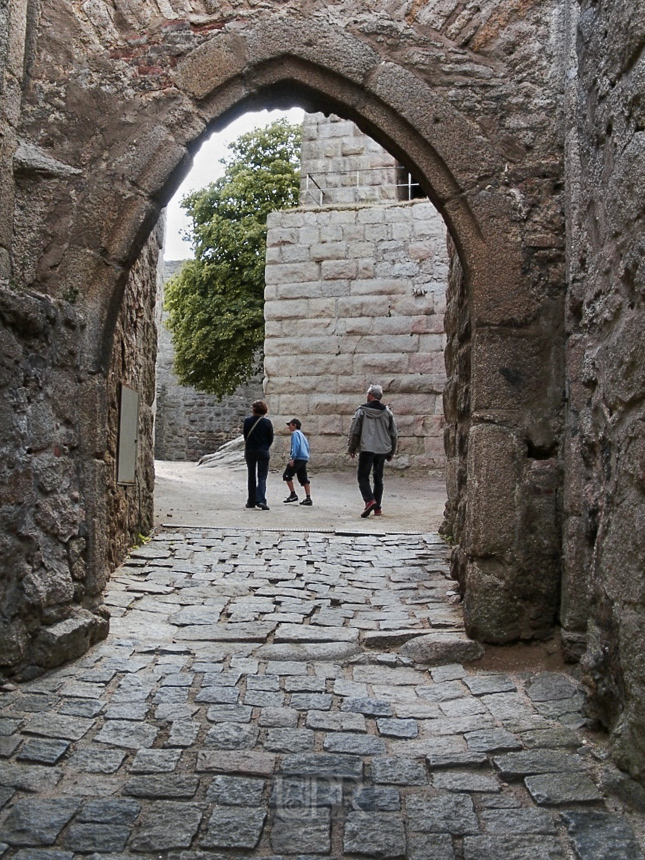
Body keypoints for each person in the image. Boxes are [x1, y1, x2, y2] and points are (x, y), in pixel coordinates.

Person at [347, 383, 397, 518]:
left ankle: (369, 500)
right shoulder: (387, 412)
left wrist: (351, 447)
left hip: (367, 448)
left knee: (362, 476)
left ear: (370, 395)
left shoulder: (362, 411)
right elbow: (393, 433)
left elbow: (355, 431)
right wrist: (391, 451)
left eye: (367, 394)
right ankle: (377, 508)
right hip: (382, 450)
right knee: (378, 478)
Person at [243, 399, 273, 510]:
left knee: (251, 476)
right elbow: (270, 438)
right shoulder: (267, 422)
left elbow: (246, 436)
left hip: (250, 451)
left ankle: (251, 500)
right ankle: (261, 499)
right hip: (263, 451)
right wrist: (265, 447)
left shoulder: (247, 421)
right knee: (262, 477)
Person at [282, 418, 312, 506]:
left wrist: (292, 458)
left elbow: (295, 446)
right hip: (304, 458)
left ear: (295, 425)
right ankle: (308, 497)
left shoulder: (295, 434)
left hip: (298, 458)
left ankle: (293, 494)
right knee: (303, 478)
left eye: (290, 425)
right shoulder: (302, 435)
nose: (289, 427)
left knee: (287, 475)